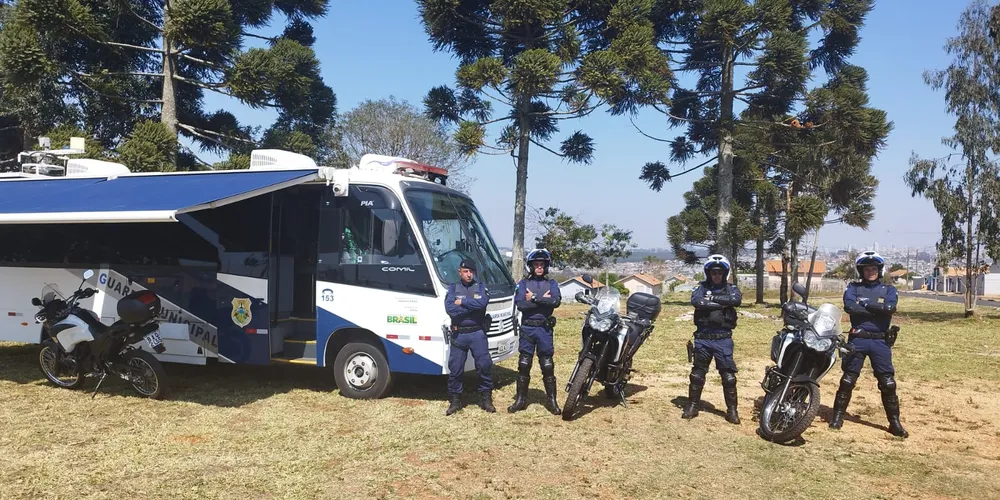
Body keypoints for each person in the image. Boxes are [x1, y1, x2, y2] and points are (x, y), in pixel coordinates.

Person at [829, 250, 908, 438]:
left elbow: (890, 308)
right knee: (847, 380)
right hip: (858, 339)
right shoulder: (853, 288)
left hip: (880, 341)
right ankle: (837, 417)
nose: (870, 272)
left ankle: (894, 423)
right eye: (866, 269)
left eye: (873, 268)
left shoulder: (889, 290)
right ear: (861, 271)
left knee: (888, 383)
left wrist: (864, 305)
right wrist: (877, 310)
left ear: (879, 270)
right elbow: (849, 307)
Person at [682, 254, 742, 424]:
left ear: (725, 273)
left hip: (723, 339)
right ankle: (692, 406)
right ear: (709, 273)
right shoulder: (700, 287)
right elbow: (697, 302)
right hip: (703, 338)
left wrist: (713, 299)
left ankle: (732, 411)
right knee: (697, 375)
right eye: (714, 272)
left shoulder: (731, 288)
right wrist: (723, 304)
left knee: (728, 377)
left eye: (720, 272)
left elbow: (736, 300)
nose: (717, 275)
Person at [509, 248, 562, 415]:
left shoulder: (552, 284)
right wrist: (543, 300)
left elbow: (555, 302)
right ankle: (521, 399)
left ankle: (551, 400)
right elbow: (520, 305)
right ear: (530, 266)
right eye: (536, 264)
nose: (539, 267)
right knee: (524, 364)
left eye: (542, 264)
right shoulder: (523, 284)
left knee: (547, 365)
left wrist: (533, 298)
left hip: (544, 329)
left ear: (546, 266)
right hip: (528, 328)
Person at [444, 258, 495, 415]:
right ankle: (455, 400)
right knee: (456, 369)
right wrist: (472, 306)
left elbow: (483, 304)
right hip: (459, 334)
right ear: (459, 272)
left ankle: (485, 398)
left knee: (484, 366)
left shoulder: (480, 287)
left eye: (471, 272)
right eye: (465, 271)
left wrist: (462, 302)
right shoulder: (453, 288)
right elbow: (450, 309)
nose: (469, 274)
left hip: (477, 333)